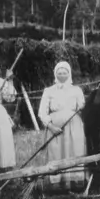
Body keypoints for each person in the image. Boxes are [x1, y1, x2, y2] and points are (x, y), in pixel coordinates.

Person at [37, 61, 88, 192]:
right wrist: (51, 126)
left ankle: (75, 182)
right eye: (59, 72)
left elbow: (82, 107)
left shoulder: (76, 90)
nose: (62, 75)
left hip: (74, 125)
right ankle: (57, 184)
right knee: (56, 152)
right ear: (55, 74)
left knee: (74, 150)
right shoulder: (48, 91)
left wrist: (83, 107)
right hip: (55, 128)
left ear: (69, 73)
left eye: (64, 72)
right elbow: (42, 112)